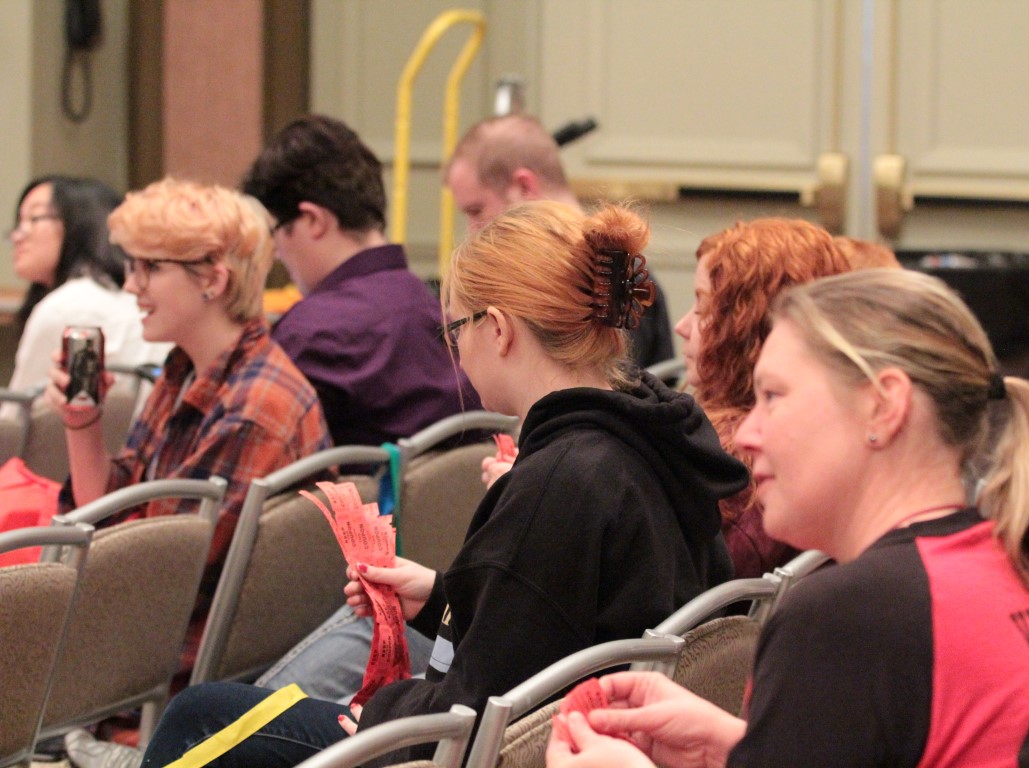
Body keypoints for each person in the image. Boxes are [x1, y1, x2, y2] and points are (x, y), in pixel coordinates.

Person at [135, 200, 747, 768]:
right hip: (585, 734)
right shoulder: (651, 441)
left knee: (198, 716)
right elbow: (551, 623)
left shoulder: (559, 480)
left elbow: (476, 709)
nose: (456, 352)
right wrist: (437, 599)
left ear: (499, 330)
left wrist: (383, 712)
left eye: (456, 331)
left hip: (478, 749)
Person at [546, 268, 1029, 767]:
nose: (747, 433)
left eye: (773, 396)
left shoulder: (853, 615)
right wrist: (744, 750)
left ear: (882, 406)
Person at [47, 177, 331, 686]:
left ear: (213, 281)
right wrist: (81, 423)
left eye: (151, 268)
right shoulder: (186, 368)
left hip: (154, 676)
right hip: (136, 643)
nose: (131, 286)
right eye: (132, 265)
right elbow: (109, 515)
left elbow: (151, 582)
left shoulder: (254, 409)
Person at [242, 114, 479, 447]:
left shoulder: (308, 336)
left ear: (313, 220)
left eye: (274, 232)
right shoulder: (440, 308)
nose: (277, 253)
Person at [675, 218, 851, 577]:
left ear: (745, 328)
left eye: (702, 308)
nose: (683, 326)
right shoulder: (827, 441)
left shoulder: (730, 464)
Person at [444, 113, 674, 369]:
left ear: (524, 187)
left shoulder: (602, 281)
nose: (471, 231)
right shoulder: (622, 273)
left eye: (476, 211)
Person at [5, 176, 168, 404]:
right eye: (19, 222)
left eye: (34, 218)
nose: (17, 235)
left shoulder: (65, 306)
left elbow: (14, 416)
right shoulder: (119, 296)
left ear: (80, 224)